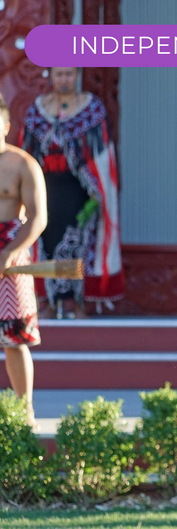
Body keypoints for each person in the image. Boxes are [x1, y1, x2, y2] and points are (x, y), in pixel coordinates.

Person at [19, 67, 124, 319]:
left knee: (76, 243)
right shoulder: (37, 111)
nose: (63, 79)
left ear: (76, 75)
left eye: (68, 74)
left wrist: (97, 194)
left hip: (79, 191)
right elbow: (27, 152)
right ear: (50, 76)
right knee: (45, 241)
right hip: (46, 189)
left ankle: (74, 302)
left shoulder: (91, 109)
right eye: (58, 74)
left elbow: (102, 155)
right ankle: (46, 301)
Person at [0, 94, 47, 427]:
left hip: (10, 248)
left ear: (5, 125)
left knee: (13, 338)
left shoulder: (23, 164)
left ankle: (24, 411)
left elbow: (37, 217)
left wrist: (11, 251)